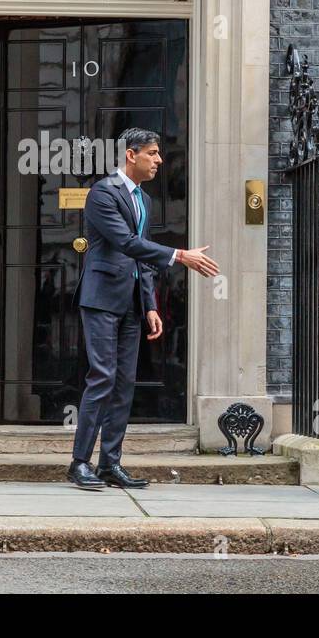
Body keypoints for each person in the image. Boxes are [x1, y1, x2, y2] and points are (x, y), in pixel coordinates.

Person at [68, 127, 220, 490]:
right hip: (102, 299)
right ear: (130, 155)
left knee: (124, 384)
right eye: (152, 153)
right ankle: (79, 463)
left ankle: (110, 464)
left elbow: (140, 260)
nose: (159, 161)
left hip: (132, 303)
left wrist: (150, 304)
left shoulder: (144, 200)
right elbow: (125, 242)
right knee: (102, 377)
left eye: (159, 153)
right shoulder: (103, 193)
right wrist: (180, 255)